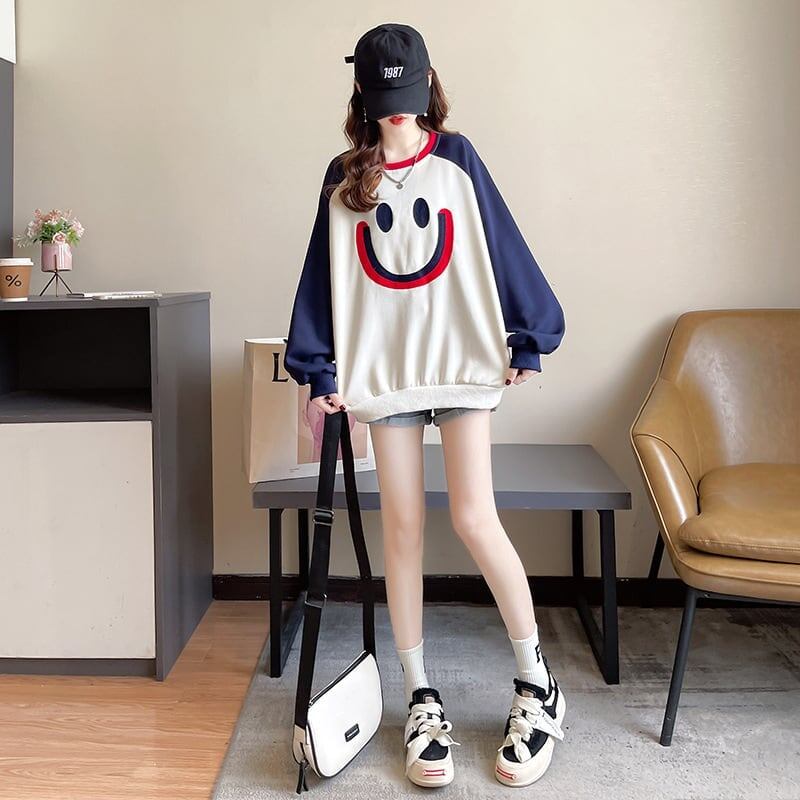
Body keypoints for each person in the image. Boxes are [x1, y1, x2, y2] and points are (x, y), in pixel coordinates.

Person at [284, 22, 566, 789]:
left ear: (428, 86)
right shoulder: (344, 176)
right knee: (402, 529)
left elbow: (501, 244)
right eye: (387, 99)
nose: (399, 112)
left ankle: (537, 682)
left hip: (461, 363)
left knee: (475, 517)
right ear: (364, 97)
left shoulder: (458, 158)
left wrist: (530, 333)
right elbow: (322, 276)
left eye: (409, 96)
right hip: (386, 372)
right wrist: (319, 367)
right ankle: (420, 696)